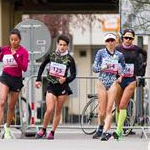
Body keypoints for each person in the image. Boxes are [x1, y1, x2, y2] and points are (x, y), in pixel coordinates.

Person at [35, 34, 76, 140]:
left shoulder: (69, 59)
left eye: (64, 45)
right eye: (60, 44)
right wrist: (38, 79)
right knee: (49, 109)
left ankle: (52, 132)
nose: (62, 47)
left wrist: (65, 79)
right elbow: (42, 66)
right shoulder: (52, 55)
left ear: (67, 46)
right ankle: (43, 129)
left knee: (58, 111)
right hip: (51, 86)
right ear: (57, 44)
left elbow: (73, 75)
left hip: (62, 88)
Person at [112, 29, 147, 140]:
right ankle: (120, 129)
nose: (128, 40)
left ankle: (118, 131)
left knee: (123, 105)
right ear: (122, 38)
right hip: (119, 80)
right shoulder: (117, 49)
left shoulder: (136, 49)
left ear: (133, 39)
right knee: (117, 106)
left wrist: (142, 69)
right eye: (126, 37)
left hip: (131, 80)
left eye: (130, 38)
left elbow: (145, 54)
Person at [92, 33, 125, 141]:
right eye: (108, 41)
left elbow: (123, 69)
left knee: (109, 109)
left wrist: (120, 76)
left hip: (113, 83)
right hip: (102, 82)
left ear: (115, 42)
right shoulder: (101, 53)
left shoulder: (119, 55)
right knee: (101, 112)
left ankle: (105, 133)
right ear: (105, 42)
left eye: (112, 40)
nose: (110, 43)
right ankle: (101, 126)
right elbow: (94, 67)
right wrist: (101, 68)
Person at [0, 28, 29, 139]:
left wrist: (15, 56)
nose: (13, 42)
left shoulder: (23, 52)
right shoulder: (5, 49)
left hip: (16, 80)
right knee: (2, 102)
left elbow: (24, 68)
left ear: (19, 40)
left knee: (11, 106)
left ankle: (7, 128)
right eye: (11, 39)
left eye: (15, 40)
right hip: (5, 77)